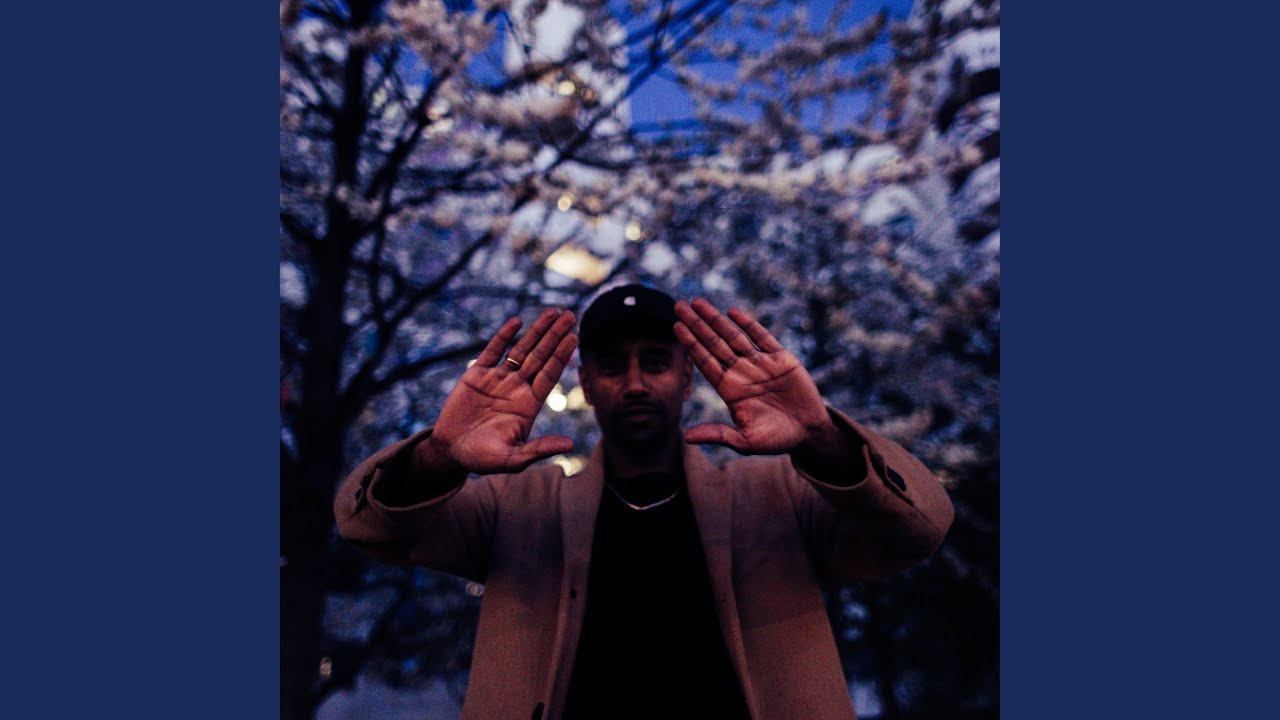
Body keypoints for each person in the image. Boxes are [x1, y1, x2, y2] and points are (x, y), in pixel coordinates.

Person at [335, 284, 954, 720]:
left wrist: (823, 440)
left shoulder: (774, 499)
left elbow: (920, 527)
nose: (634, 384)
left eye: (656, 363)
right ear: (587, 384)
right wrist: (439, 456)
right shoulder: (521, 509)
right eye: (612, 367)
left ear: (687, 379)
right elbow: (369, 529)